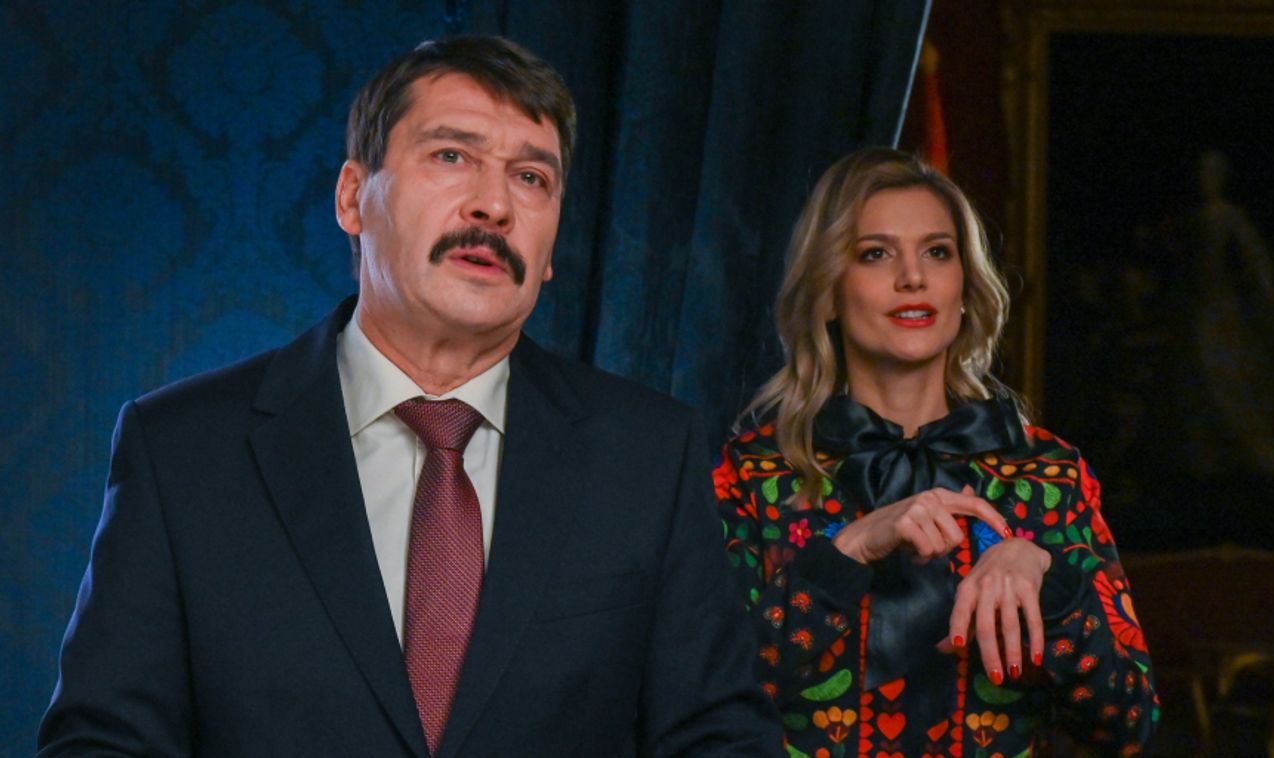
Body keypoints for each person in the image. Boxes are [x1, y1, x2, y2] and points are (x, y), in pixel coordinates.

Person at [39, 35, 779, 757]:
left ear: (552, 245)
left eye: (531, 178)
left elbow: (719, 737)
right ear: (353, 198)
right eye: (451, 156)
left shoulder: (648, 454)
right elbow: (102, 741)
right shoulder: (181, 448)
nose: (494, 206)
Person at [714, 148, 1158, 757]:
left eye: (937, 252)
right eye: (875, 253)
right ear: (828, 291)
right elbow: (705, 703)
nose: (912, 278)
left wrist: (1047, 577)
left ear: (966, 288)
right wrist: (848, 551)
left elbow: (1127, 728)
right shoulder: (753, 475)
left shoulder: (1049, 476)